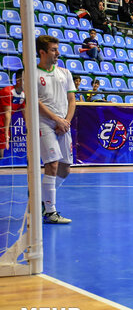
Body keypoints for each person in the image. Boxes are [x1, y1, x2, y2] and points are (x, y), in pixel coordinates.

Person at [36, 35, 76, 224]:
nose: (57, 53)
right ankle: (50, 212)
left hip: (63, 124)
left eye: (57, 49)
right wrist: (56, 120)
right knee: (51, 164)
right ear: (42, 52)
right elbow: (34, 102)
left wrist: (66, 121)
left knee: (65, 169)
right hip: (45, 123)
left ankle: (44, 200)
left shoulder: (65, 73)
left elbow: (72, 100)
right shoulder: (32, 73)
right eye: (53, 50)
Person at [0, 68, 25, 158]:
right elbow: (7, 114)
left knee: (1, 155)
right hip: (1, 123)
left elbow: (25, 114)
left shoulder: (23, 94)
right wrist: (7, 135)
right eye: (25, 80)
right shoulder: (7, 91)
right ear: (18, 81)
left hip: (3, 124)